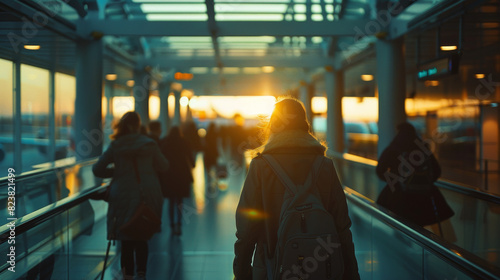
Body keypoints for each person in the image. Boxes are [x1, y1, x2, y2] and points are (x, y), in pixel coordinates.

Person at [233, 97, 360, 280]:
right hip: (321, 267)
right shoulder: (324, 165)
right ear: (305, 125)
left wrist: (242, 273)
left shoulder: (260, 166)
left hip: (271, 268)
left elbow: (246, 230)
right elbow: (342, 228)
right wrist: (352, 274)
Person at [92, 112, 169, 280]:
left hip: (122, 194)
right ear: (138, 125)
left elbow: (97, 169)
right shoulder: (149, 144)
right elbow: (164, 166)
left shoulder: (116, 145)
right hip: (147, 194)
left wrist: (116, 171)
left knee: (126, 238)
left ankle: (128, 276)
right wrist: (148, 170)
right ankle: (142, 274)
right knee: (142, 235)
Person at [376, 122, 454, 230]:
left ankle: (401, 244)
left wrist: (396, 181)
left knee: (399, 226)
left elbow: (380, 171)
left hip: (398, 198)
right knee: (418, 228)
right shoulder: (422, 148)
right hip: (423, 198)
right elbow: (437, 171)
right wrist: (423, 181)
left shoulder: (393, 149)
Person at [159, 126, 195, 235]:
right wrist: (193, 164)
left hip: (169, 175)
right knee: (180, 201)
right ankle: (179, 224)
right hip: (182, 175)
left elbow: (161, 158)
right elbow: (190, 157)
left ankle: (171, 225)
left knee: (170, 201)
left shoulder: (165, 142)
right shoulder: (184, 142)